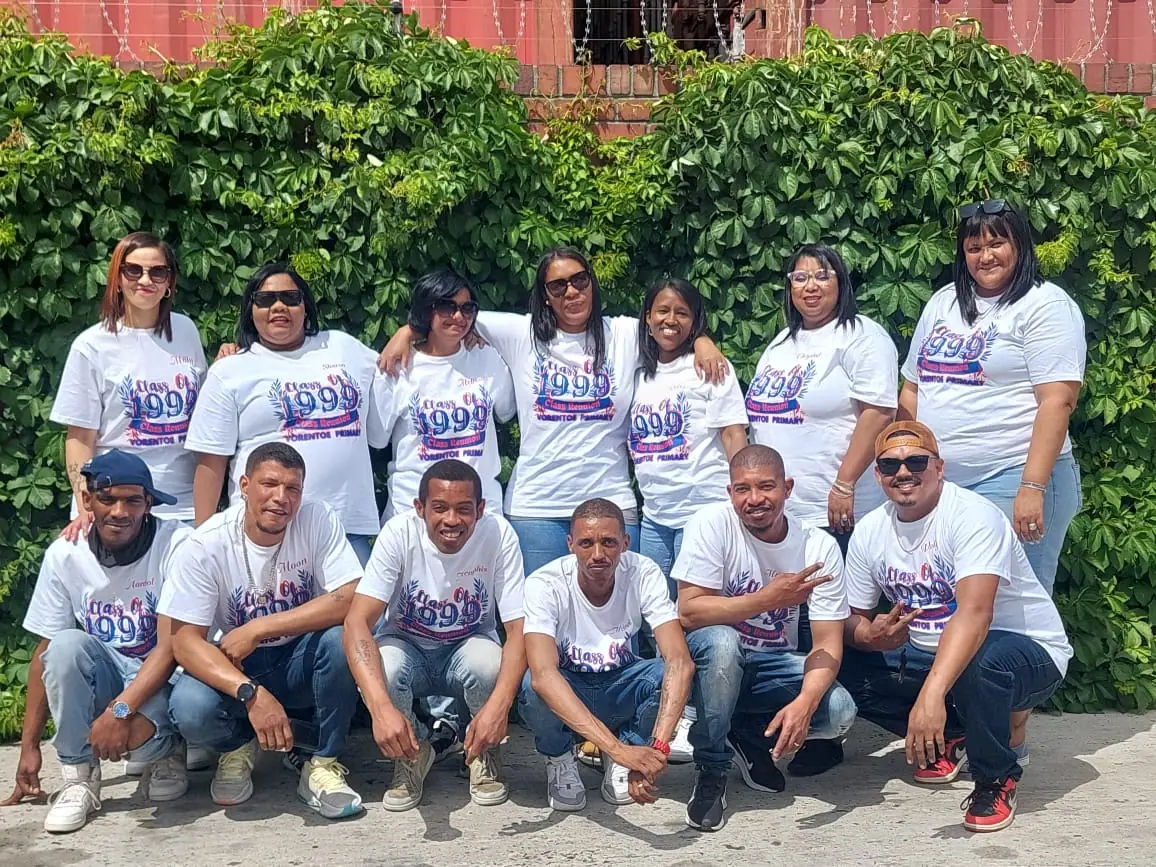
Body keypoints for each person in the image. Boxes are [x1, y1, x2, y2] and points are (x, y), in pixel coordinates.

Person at [377, 248, 729, 575]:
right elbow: (453, 317)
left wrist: (703, 340)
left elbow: (669, 327)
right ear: (545, 295)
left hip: (609, 504)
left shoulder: (624, 334)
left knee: (616, 623)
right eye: (558, 286)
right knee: (539, 623)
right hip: (536, 510)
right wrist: (408, 331)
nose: (571, 292)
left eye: (579, 280)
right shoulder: (521, 333)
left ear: (592, 283)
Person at [838, 421, 1072, 833]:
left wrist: (930, 695)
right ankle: (957, 735)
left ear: (939, 467)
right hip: (927, 652)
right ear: (878, 475)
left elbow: (975, 616)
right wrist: (869, 635)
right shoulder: (871, 529)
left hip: (1024, 651)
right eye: (890, 465)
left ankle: (996, 778)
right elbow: (851, 617)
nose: (903, 472)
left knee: (978, 662)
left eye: (916, 461)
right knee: (838, 658)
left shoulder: (972, 516)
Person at [159, 442, 364, 819]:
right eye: (269, 484)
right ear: (244, 485)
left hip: (297, 655)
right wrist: (251, 695)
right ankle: (236, 747)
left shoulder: (317, 519)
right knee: (190, 706)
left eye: (292, 489)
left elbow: (351, 596)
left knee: (341, 640)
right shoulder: (204, 544)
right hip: (239, 663)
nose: (280, 498)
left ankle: (322, 762)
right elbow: (184, 642)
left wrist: (259, 627)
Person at [898, 200, 1086, 594]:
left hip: (1012, 474)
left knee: (1014, 604)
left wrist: (1031, 487)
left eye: (996, 244)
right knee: (953, 603)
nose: (985, 257)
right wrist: (909, 462)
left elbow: (1058, 401)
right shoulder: (943, 303)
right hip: (944, 483)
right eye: (974, 248)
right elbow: (913, 389)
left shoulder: (1044, 305)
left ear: (1019, 245)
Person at [4, 451, 192, 832]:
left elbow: (173, 646)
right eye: (107, 499)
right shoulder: (65, 554)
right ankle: (79, 776)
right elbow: (46, 651)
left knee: (146, 734)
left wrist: (119, 713)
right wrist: (29, 747)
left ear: (149, 503)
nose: (120, 511)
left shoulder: (176, 545)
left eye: (133, 500)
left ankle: (167, 750)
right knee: (65, 646)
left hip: (163, 676)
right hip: (107, 673)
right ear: (87, 501)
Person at [672, 445, 855, 831]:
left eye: (766, 487)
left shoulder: (816, 545)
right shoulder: (711, 524)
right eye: (743, 489)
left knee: (838, 711)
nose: (754, 500)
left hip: (771, 663)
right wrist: (768, 599)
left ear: (787, 488)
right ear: (730, 493)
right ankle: (711, 768)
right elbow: (688, 612)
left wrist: (805, 703)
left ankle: (743, 733)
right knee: (723, 643)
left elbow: (827, 642)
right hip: (708, 662)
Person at [343, 460, 526, 810]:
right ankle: (412, 753)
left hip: (467, 646)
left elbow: (519, 630)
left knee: (490, 663)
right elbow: (356, 623)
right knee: (386, 666)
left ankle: (482, 751)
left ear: (481, 509)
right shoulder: (398, 533)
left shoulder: (498, 534)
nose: (451, 520)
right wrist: (380, 708)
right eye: (439, 508)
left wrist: (498, 709)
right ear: (419, 508)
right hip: (406, 644)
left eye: (464, 509)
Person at [185, 263, 388, 564]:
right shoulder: (229, 371)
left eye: (290, 298)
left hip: (346, 527)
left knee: (363, 613)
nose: (279, 306)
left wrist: (407, 334)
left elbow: (399, 369)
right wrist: (201, 541)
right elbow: (211, 461)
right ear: (250, 311)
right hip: (264, 532)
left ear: (305, 307)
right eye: (266, 300)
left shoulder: (344, 348)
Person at [517, 499, 695, 814]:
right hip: (570, 687)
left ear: (626, 543)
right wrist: (619, 749)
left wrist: (654, 752)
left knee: (663, 674)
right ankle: (561, 757)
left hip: (620, 685)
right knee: (533, 685)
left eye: (608, 542)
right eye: (586, 543)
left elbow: (680, 662)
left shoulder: (643, 571)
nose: (597, 554)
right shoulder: (544, 584)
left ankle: (630, 746)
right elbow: (545, 675)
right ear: (570, 544)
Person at [50, 232, 207, 535]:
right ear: (117, 279)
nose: (145, 280)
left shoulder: (186, 331)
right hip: (114, 506)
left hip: (182, 507)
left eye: (157, 271)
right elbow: (81, 438)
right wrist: (86, 507)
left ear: (169, 282)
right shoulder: (92, 345)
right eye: (133, 270)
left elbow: (203, 415)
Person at [745, 244, 897, 550]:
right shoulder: (781, 342)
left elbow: (879, 414)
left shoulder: (863, 335)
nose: (810, 286)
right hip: (780, 513)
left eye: (822, 276)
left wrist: (844, 485)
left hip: (835, 512)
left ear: (840, 282)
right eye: (800, 277)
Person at [374, 268, 516, 521]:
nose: (458, 316)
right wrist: (407, 331)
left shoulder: (487, 358)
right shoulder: (397, 367)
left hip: (481, 512)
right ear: (426, 309)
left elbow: (506, 411)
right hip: (412, 512)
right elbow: (376, 438)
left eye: (467, 308)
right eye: (446, 307)